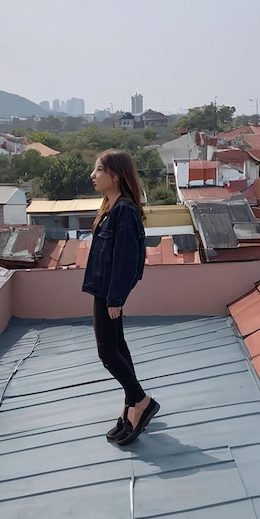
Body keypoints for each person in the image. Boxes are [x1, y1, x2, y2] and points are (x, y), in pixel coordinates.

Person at [82, 149, 160, 446]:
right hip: (104, 290)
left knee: (108, 353)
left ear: (115, 175)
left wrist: (115, 298)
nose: (93, 175)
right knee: (118, 348)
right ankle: (130, 406)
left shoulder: (123, 211)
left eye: (99, 170)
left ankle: (141, 402)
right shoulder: (111, 207)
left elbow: (126, 259)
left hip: (108, 294)